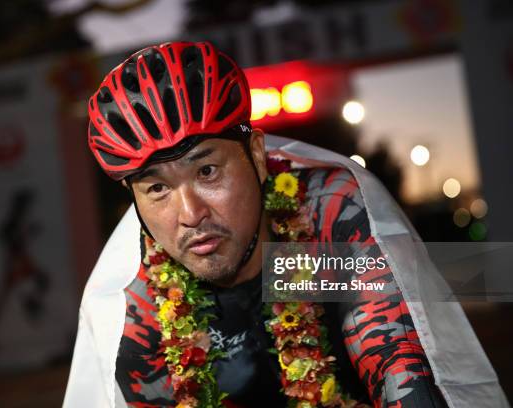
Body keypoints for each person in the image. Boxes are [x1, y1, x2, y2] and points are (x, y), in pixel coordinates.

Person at [63, 41, 508, 408]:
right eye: (157, 188)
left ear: (257, 156)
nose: (190, 213)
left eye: (207, 173)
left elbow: (404, 372)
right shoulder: (135, 309)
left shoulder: (325, 213)